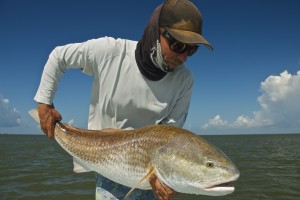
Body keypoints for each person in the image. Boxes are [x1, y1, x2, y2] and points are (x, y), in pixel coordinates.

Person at [34, 0, 212, 199]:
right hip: (104, 161)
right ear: (155, 32)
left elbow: (170, 133)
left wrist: (161, 175)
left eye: (191, 50)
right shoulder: (110, 52)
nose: (183, 57)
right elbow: (59, 57)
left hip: (149, 173)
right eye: (177, 45)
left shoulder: (185, 79)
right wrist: (44, 102)